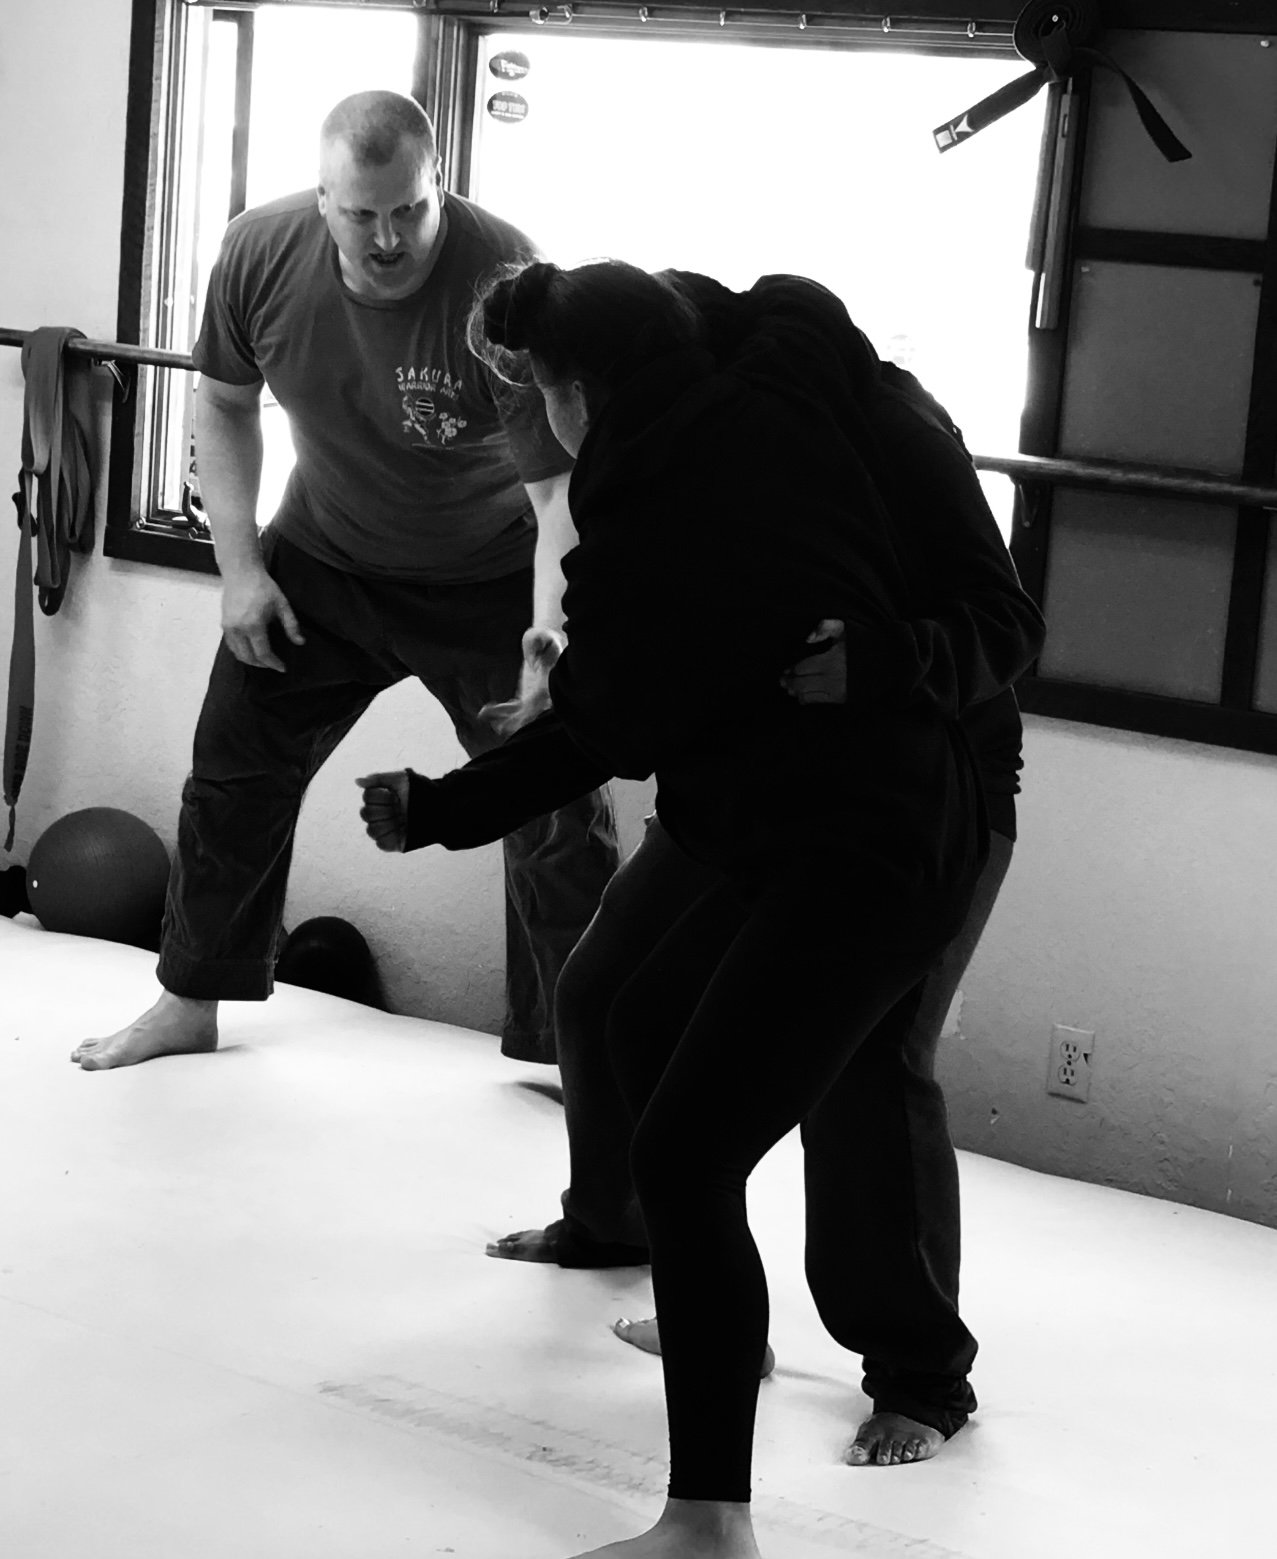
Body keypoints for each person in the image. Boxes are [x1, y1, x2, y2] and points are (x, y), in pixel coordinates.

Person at [358, 258, 1008, 1559]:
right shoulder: (706, 423)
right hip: (759, 798)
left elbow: (996, 621)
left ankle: (901, 1380)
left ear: (589, 382)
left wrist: (440, 804)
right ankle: (710, 1296)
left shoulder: (847, 428)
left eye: (538, 389)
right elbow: (642, 683)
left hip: (912, 785)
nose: (537, 421)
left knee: (831, 1080)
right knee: (627, 1004)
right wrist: (586, 682)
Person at [68, 91, 618, 1072]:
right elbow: (223, 406)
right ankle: (189, 998)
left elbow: (556, 491)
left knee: (556, 802)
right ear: (322, 197)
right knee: (234, 767)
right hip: (324, 559)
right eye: (361, 214)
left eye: (409, 209)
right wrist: (240, 571)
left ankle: (581, 1051)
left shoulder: (505, 284)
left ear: (438, 183)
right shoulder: (258, 253)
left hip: (488, 575)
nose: (387, 238)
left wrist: (550, 642)